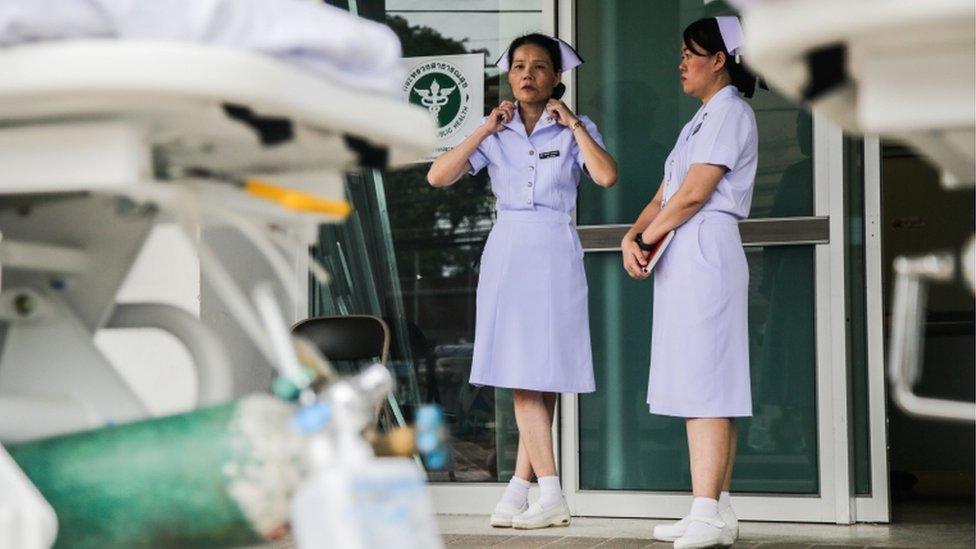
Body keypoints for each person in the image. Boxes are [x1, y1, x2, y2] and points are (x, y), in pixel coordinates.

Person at [427, 32, 618, 530]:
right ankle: (527, 489)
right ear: (508, 76)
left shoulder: (573, 127)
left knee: (542, 372)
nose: (527, 74)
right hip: (509, 248)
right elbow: (438, 176)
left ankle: (541, 492)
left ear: (557, 77)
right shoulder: (498, 130)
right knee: (521, 370)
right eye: (518, 67)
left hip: (555, 246)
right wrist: (484, 129)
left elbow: (605, 176)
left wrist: (574, 124)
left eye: (538, 66)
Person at [619, 16, 758, 549]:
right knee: (698, 377)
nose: (680, 62)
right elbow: (664, 193)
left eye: (689, 52)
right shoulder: (698, 121)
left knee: (709, 381)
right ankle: (715, 510)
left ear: (719, 59)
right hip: (682, 247)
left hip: (704, 246)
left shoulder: (731, 112)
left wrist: (649, 240)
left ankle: (707, 509)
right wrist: (633, 236)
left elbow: (696, 193)